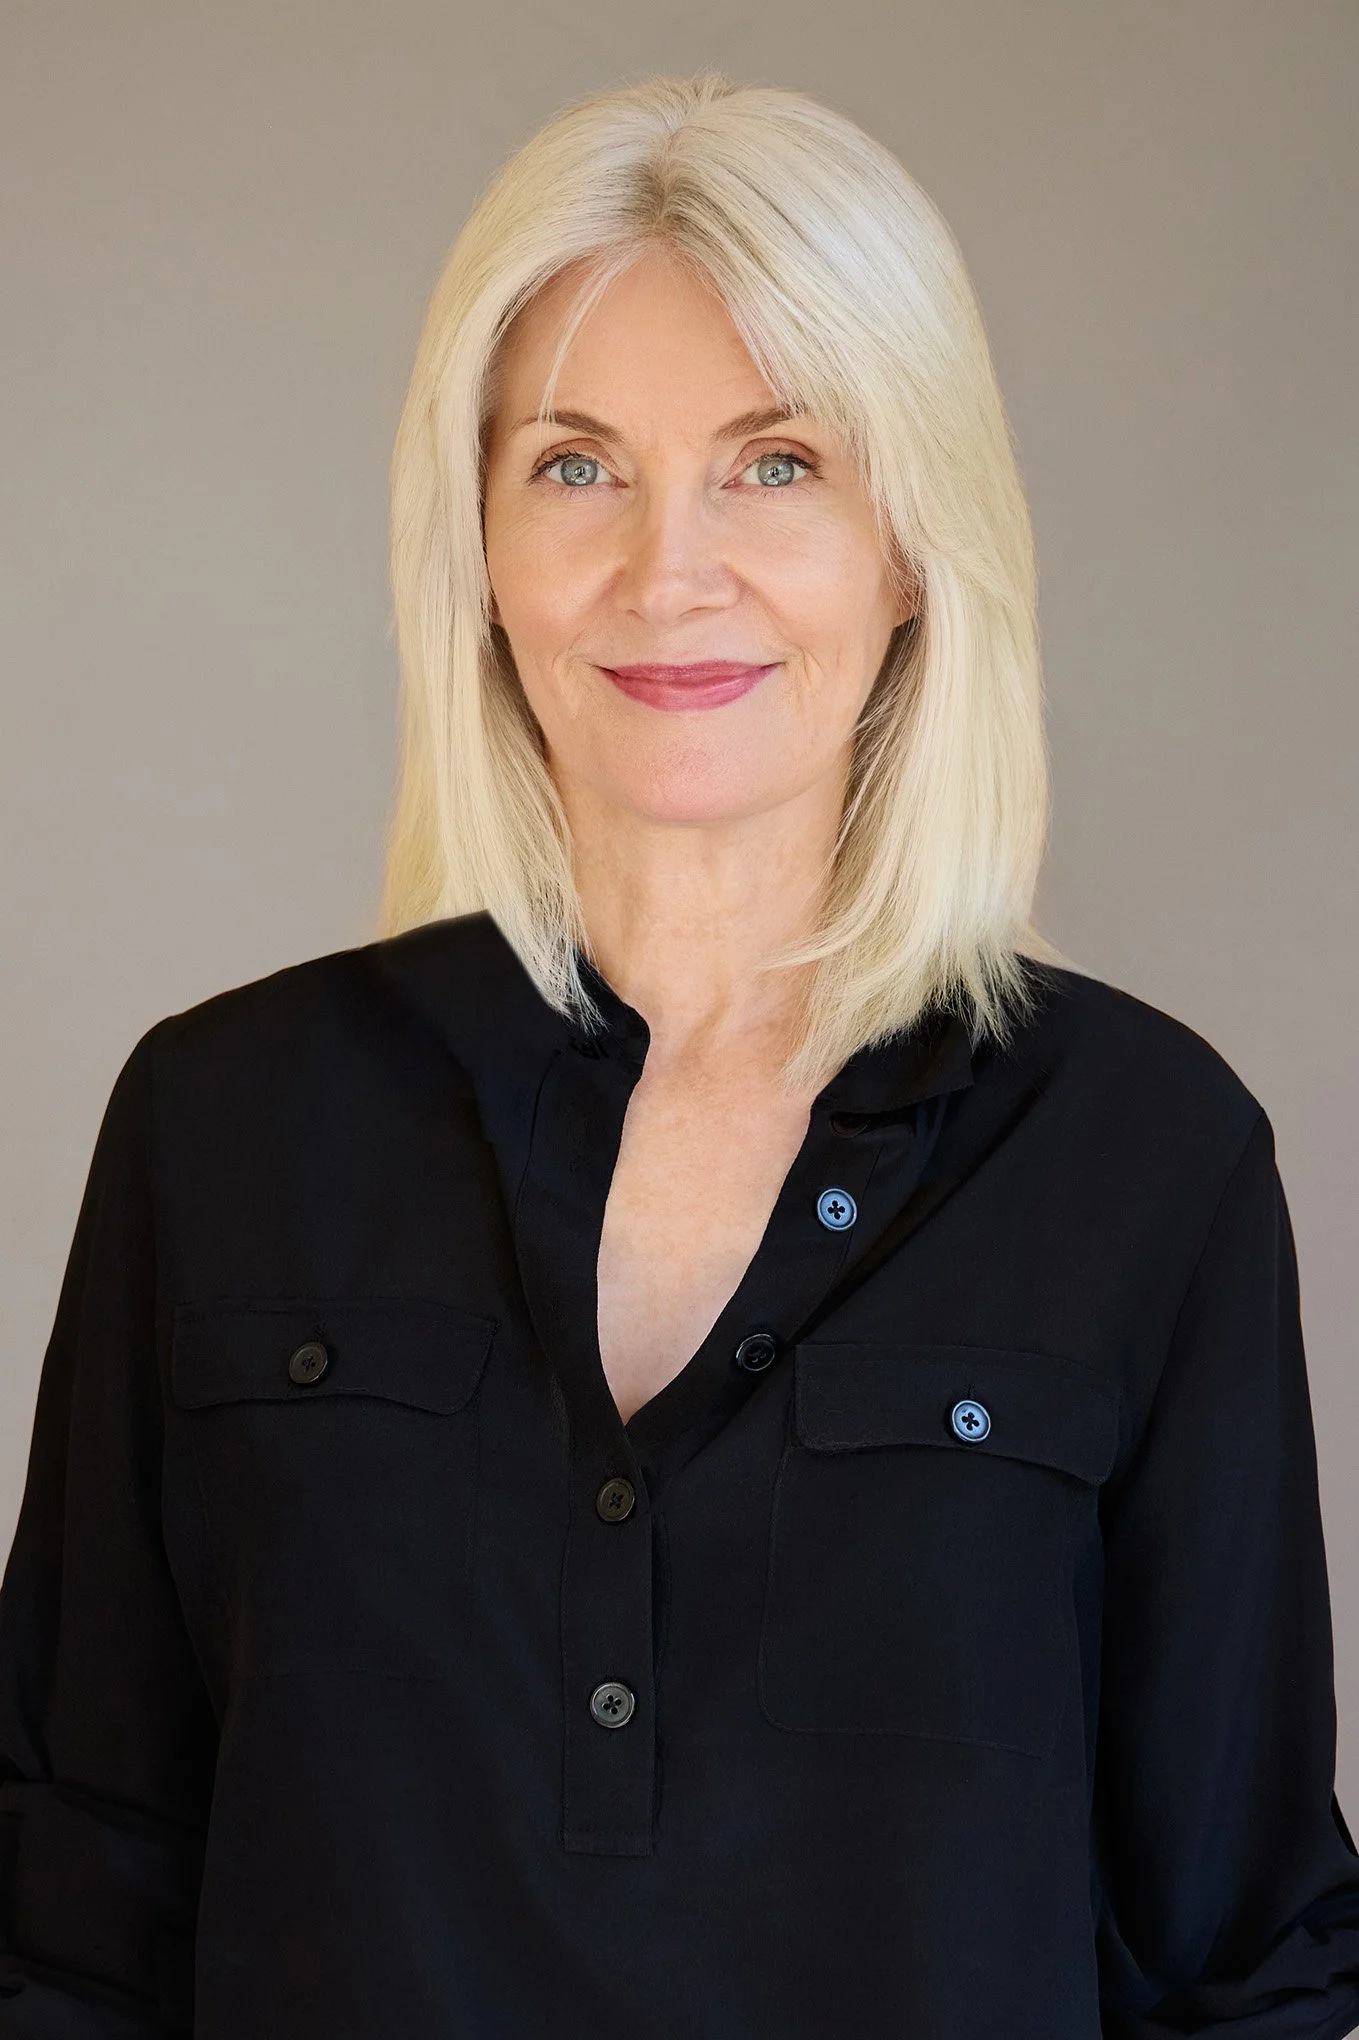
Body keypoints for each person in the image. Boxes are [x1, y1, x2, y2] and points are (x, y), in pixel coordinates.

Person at [2, 64, 1357, 2040]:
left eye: (774, 460)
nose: (665, 569)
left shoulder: (1145, 1160)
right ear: (471, 540)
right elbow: (67, 1910)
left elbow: (1244, 1961)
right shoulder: (221, 1129)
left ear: (911, 544)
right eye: (574, 464)